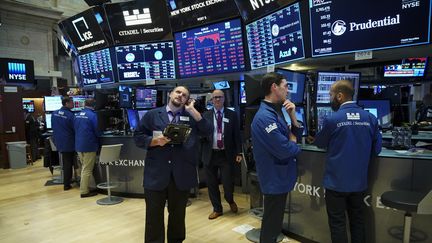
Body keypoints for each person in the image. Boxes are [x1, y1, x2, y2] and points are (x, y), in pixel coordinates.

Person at [134, 86, 212, 243]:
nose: (180, 95)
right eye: (178, 92)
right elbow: (138, 136)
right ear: (170, 94)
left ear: (187, 99)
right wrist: (153, 141)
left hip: (181, 174)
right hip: (156, 174)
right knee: (153, 217)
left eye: (184, 95)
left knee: (177, 216)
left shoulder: (191, 116)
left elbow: (208, 130)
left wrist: (194, 111)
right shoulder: (153, 114)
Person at [313, 80, 382, 243]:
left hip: (335, 183)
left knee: (337, 224)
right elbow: (377, 149)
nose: (330, 98)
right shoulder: (370, 118)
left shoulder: (332, 119)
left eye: (331, 95)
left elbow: (319, 143)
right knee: (357, 221)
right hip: (359, 183)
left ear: (339, 96)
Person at [251, 72, 302, 242]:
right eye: (286, 86)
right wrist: (293, 142)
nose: (288, 90)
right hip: (274, 177)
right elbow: (284, 149)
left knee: (274, 224)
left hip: (280, 176)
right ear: (274, 87)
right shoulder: (265, 117)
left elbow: (294, 136)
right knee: (271, 226)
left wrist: (293, 115)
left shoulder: (277, 111)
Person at [201, 89, 242, 220]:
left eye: (219, 97)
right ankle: (217, 209)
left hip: (226, 154)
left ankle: (230, 200)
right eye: (215, 98)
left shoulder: (232, 114)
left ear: (224, 99)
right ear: (211, 100)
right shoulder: (205, 115)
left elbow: (237, 134)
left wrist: (239, 152)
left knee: (228, 183)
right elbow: (201, 134)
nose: (217, 100)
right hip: (210, 154)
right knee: (212, 184)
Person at [74, 98, 100, 198]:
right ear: (94, 105)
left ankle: (88, 187)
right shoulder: (92, 115)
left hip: (79, 145)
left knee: (84, 168)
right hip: (89, 145)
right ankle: (84, 191)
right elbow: (97, 130)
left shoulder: (76, 115)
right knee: (87, 169)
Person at [51, 96, 75, 191]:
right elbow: (74, 129)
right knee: (68, 163)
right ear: (66, 103)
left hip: (58, 141)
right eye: (72, 102)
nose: (73, 104)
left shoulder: (54, 113)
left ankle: (68, 181)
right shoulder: (70, 115)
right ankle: (66, 184)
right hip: (69, 142)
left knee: (66, 162)